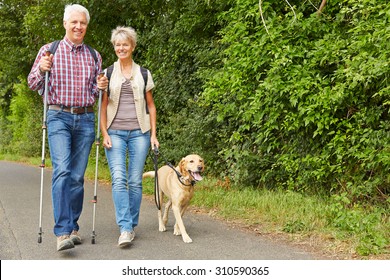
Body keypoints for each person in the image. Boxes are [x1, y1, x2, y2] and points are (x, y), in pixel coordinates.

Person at [27, 4, 104, 251]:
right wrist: (41, 69)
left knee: (77, 177)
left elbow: (94, 93)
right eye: (74, 22)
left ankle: (72, 227)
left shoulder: (94, 55)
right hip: (58, 116)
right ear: (65, 24)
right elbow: (32, 83)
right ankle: (62, 233)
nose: (78, 27)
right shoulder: (49, 51)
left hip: (85, 118)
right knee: (61, 170)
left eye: (82, 23)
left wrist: (101, 86)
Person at [97, 26, 159, 248]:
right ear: (114, 47)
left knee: (134, 181)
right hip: (114, 132)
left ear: (132, 46)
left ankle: (130, 224)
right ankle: (125, 227)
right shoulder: (107, 74)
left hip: (139, 134)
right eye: (117, 45)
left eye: (125, 44)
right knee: (119, 179)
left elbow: (151, 106)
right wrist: (103, 132)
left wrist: (153, 134)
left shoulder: (143, 73)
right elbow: (102, 107)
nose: (121, 48)